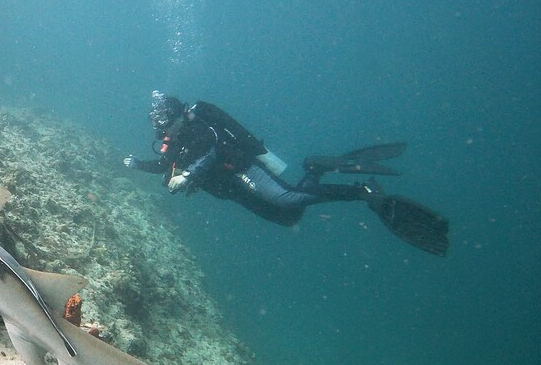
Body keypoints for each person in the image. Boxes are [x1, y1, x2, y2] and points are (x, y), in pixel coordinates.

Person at [123, 91, 449, 256]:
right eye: (160, 124)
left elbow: (215, 151)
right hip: (233, 189)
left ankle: (361, 192)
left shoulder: (199, 129)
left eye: (166, 121)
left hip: (243, 170)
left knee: (285, 198)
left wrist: (189, 176)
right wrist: (137, 164)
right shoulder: (176, 140)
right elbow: (166, 168)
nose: (163, 129)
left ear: (178, 114)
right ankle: (315, 168)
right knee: (290, 216)